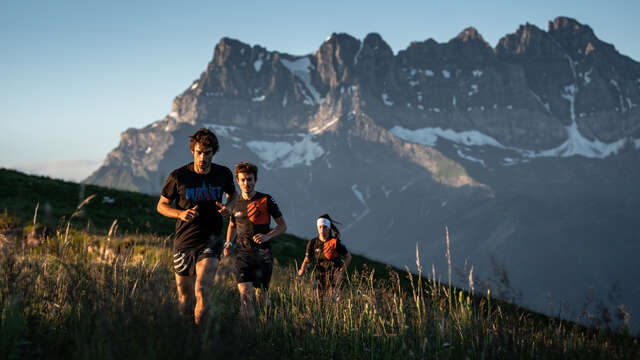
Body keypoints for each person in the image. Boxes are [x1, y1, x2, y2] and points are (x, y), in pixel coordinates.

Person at [156, 128, 237, 325]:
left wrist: (229, 207)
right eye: (199, 152)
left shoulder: (223, 174)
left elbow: (233, 195)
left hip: (211, 240)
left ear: (213, 153)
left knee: (201, 289)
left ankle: (201, 338)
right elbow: (161, 205)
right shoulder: (178, 176)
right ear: (193, 151)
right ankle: (187, 338)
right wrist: (180, 214)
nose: (203, 157)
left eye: (207, 153)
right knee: (185, 298)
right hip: (184, 242)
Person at [224, 162, 286, 326]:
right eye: (243, 180)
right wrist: (228, 242)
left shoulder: (266, 199)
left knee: (261, 298)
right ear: (238, 181)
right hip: (243, 256)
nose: (246, 184)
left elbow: (282, 226)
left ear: (255, 180)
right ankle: (246, 332)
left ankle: (268, 326)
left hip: (263, 255)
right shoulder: (235, 202)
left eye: (250, 179)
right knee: (245, 296)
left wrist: (267, 236)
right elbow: (232, 225)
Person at [297, 214, 351, 300]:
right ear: (317, 228)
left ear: (329, 228)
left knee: (332, 301)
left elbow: (348, 256)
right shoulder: (312, 243)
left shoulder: (335, 242)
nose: (322, 230)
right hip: (320, 275)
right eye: (320, 227)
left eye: (325, 227)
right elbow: (307, 258)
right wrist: (302, 269)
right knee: (318, 301)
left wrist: (341, 272)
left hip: (334, 276)